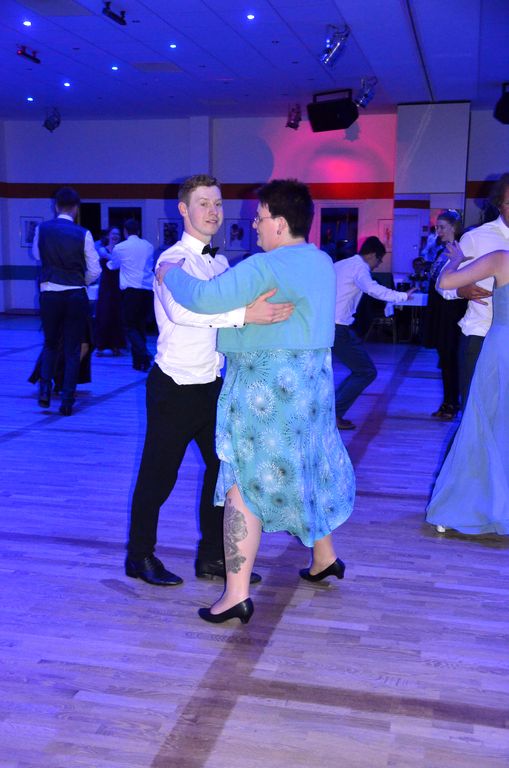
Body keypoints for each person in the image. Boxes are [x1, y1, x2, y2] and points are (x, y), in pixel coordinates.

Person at [158, 178, 356, 624]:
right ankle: (324, 557)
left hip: (266, 387)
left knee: (242, 483)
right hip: (313, 386)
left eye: (260, 218)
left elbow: (203, 298)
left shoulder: (266, 266)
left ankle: (235, 595)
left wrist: (170, 272)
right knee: (308, 466)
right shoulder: (322, 261)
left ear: (280, 224)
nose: (255, 225)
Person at [125, 174, 294, 588]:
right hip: (174, 387)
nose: (213, 211)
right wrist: (244, 314)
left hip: (214, 386)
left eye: (217, 203)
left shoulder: (220, 263)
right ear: (183, 209)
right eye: (203, 203)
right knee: (158, 477)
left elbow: (231, 314)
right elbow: (185, 313)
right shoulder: (171, 262)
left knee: (223, 474)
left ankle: (212, 557)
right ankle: (139, 556)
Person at [425, 241, 509, 535]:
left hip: (501, 351)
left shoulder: (501, 259)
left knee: (485, 427)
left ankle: (468, 506)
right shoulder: (500, 257)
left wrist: (456, 260)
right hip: (500, 352)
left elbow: (446, 281)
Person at [437, 174, 509, 408]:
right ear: (499, 204)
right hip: (481, 335)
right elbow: (443, 284)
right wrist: (461, 291)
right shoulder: (477, 238)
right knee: (474, 412)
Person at [32, 186, 101, 416]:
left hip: (50, 292)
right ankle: (67, 401)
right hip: (75, 295)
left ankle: (44, 391)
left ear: (55, 206)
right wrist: (82, 281)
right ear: (76, 209)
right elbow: (95, 269)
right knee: (72, 349)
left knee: (50, 344)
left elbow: (37, 255)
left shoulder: (42, 229)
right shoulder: (83, 233)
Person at [332, 236, 413, 430]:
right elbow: (372, 289)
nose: (378, 264)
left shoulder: (341, 264)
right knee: (366, 371)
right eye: (379, 259)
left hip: (329, 325)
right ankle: (333, 415)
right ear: (371, 255)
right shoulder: (359, 267)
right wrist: (402, 296)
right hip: (338, 327)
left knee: (360, 371)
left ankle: (331, 413)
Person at [423, 210, 467, 419]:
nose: (438, 231)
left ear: (454, 227)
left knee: (451, 358)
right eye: (437, 227)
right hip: (440, 311)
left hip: (452, 313)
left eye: (442, 227)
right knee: (445, 359)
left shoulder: (460, 250)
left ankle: (452, 403)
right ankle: (448, 401)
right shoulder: (442, 250)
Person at [107, 219, 154, 371]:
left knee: (129, 326)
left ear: (125, 232)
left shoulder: (120, 247)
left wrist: (107, 260)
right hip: (147, 291)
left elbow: (113, 265)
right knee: (140, 327)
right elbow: (150, 266)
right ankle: (139, 363)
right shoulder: (148, 246)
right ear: (139, 231)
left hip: (131, 292)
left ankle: (144, 353)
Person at [95, 226, 126, 355]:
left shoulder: (121, 250)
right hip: (106, 286)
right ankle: (101, 346)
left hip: (117, 285)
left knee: (117, 315)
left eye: (117, 234)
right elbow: (112, 261)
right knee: (104, 313)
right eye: (113, 233)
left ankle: (116, 346)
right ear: (108, 235)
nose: (115, 236)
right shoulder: (102, 249)